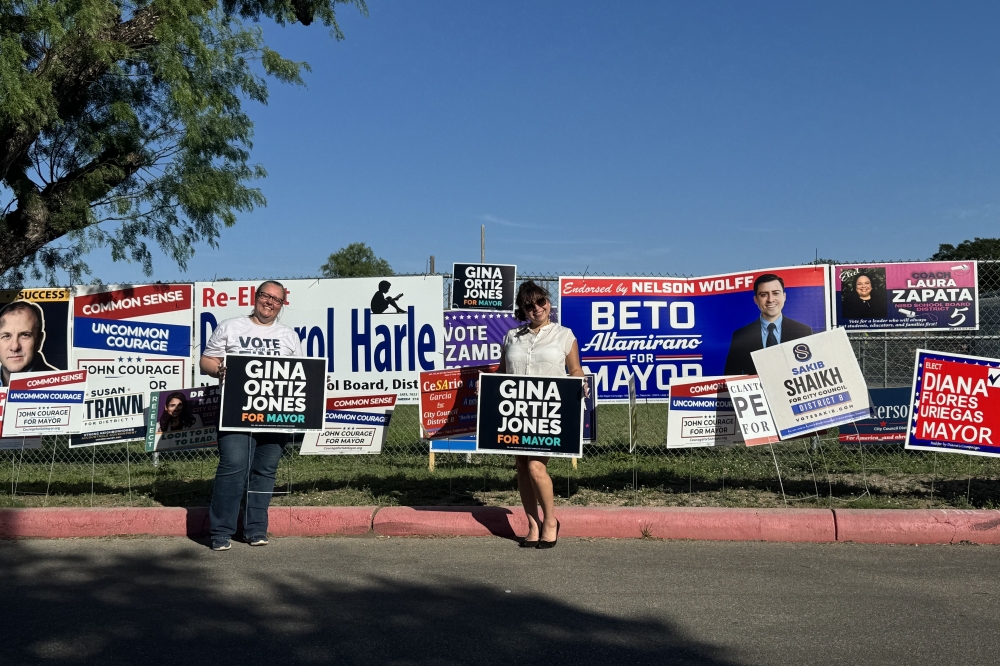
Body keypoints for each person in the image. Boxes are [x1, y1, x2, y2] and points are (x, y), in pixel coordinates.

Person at [199, 280, 303, 551]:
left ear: (282, 305)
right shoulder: (231, 326)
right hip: (234, 411)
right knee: (233, 467)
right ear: (256, 298)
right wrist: (219, 370)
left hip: (275, 414)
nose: (270, 302)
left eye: (276, 300)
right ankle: (221, 531)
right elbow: (206, 360)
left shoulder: (289, 336)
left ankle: (256, 528)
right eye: (266, 296)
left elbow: (300, 373)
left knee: (265, 471)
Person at [496, 281, 585, 549]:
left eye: (541, 301)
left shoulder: (564, 335)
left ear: (548, 301)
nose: (537, 308)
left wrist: (582, 383)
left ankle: (550, 521)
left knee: (536, 467)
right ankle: (532, 524)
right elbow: (502, 372)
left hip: (547, 411)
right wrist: (484, 385)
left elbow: (575, 370)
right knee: (522, 467)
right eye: (529, 305)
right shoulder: (512, 336)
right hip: (515, 410)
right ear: (522, 310)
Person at [723, 274, 813, 376]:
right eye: (763, 295)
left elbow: (812, 371)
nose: (770, 299)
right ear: (756, 299)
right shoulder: (740, 336)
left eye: (775, 293)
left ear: (784, 297)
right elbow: (731, 378)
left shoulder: (803, 332)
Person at [0, 300, 56, 386]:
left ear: (39, 340)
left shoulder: (59, 386)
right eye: (7, 336)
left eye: (25, 335)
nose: (15, 347)